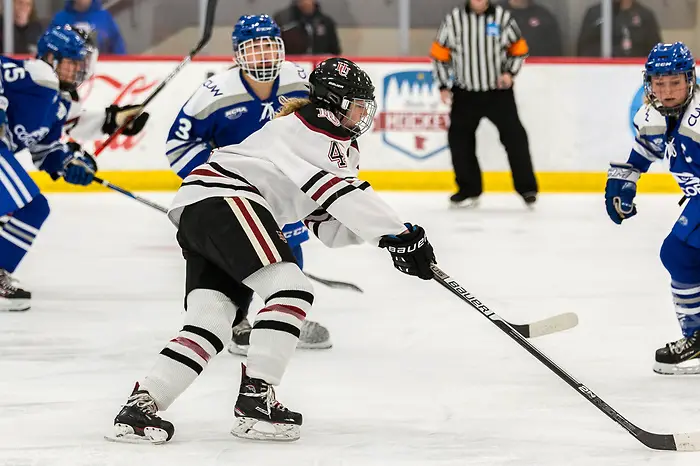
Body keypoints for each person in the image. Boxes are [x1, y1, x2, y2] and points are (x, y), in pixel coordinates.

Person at [109, 57, 436, 443]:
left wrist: (389, 243)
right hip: (227, 200)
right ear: (334, 102)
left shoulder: (319, 137)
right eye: (357, 104)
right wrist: (400, 235)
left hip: (203, 210)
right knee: (292, 290)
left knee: (211, 321)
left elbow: (328, 223)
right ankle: (255, 402)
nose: (364, 112)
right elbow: (342, 193)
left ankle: (141, 405)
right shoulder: (313, 131)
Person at [165, 14, 331, 354]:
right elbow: (179, 145)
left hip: (280, 186)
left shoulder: (301, 82)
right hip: (233, 191)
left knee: (289, 243)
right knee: (237, 252)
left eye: (269, 47)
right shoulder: (214, 93)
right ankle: (239, 320)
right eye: (254, 49)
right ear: (238, 55)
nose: (264, 56)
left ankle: (285, 317)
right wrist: (214, 182)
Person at [605, 42, 700, 375]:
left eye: (675, 81)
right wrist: (625, 180)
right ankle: (696, 338)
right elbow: (645, 150)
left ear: (690, 80)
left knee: (678, 252)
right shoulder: (652, 113)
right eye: (660, 82)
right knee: (682, 256)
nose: (668, 89)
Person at [0, 25, 96, 312]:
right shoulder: (32, 73)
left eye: (81, 64)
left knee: (35, 207)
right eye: (72, 62)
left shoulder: (58, 102)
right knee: (29, 204)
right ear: (51, 58)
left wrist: (69, 163)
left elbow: (44, 149)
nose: (78, 70)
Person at [431, 0, 538, 208]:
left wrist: (510, 73)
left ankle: (527, 188)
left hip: (498, 92)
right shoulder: (454, 19)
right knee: (459, 140)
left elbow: (519, 48)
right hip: (465, 92)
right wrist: (443, 85)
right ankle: (469, 188)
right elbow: (440, 54)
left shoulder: (502, 18)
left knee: (515, 137)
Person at [577, 0, 661, 57]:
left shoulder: (645, 16)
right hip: (600, 75)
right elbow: (583, 51)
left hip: (636, 76)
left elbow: (656, 54)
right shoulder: (595, 14)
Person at [49, 0, 126, 55]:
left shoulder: (105, 17)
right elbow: (49, 46)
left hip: (101, 69)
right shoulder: (60, 19)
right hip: (67, 70)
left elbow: (117, 46)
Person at [273, 0, 341, 55]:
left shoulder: (326, 22)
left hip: (319, 66)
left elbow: (334, 51)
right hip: (291, 65)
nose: (306, 2)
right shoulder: (282, 20)